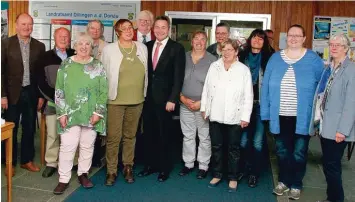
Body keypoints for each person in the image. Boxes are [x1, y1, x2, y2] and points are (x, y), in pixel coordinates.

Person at [260, 24, 324, 200]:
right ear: (286, 38)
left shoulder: (313, 60)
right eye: (290, 35)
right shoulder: (275, 59)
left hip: (303, 117)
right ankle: (283, 181)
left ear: (304, 38)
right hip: (279, 116)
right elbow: (265, 87)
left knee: (298, 152)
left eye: (298, 35)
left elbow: (322, 89)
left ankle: (296, 183)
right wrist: (265, 112)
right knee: (281, 151)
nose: (294, 38)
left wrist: (320, 116)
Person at [53, 32, 108, 195]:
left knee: (87, 146)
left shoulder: (98, 66)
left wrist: (98, 113)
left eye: (87, 44)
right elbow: (59, 89)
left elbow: (103, 91)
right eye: (80, 44)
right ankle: (63, 179)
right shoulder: (66, 64)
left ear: (92, 48)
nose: (84, 47)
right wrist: (61, 113)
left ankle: (83, 174)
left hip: (91, 114)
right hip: (69, 114)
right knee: (67, 147)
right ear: (75, 47)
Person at [137, 15, 186, 182]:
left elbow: (178, 77)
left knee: (165, 134)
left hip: (166, 101)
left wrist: (173, 99)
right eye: (156, 27)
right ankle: (150, 165)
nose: (159, 30)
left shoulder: (176, 48)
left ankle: (164, 168)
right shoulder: (147, 46)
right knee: (149, 134)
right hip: (147, 98)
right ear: (153, 28)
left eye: (163, 27)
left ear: (169, 29)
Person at [201, 39, 253, 192]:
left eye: (230, 49)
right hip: (215, 113)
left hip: (235, 116)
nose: (227, 52)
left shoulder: (243, 70)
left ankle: (233, 177)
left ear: (236, 52)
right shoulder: (214, 66)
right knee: (216, 146)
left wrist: (245, 116)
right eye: (224, 49)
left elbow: (248, 95)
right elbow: (206, 89)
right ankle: (217, 174)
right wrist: (204, 107)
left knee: (233, 148)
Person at [101, 19, 148, 185]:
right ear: (117, 32)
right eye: (124, 29)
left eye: (130, 28)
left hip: (137, 100)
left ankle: (128, 166)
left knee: (130, 136)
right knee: (114, 137)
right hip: (115, 101)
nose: (128, 31)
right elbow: (102, 74)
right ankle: (111, 171)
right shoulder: (109, 50)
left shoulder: (142, 48)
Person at [1, 13, 45, 176]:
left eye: (30, 24)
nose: (27, 27)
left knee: (29, 128)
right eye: (24, 24)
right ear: (17, 25)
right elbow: (1, 72)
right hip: (11, 94)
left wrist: (41, 96)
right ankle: (9, 162)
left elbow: (41, 74)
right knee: (11, 128)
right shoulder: (5, 44)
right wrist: (2, 95)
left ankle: (27, 160)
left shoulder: (39, 46)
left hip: (32, 93)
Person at [314, 34, 355, 202]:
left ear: (346, 48)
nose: (334, 47)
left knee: (332, 166)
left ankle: (336, 199)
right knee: (329, 165)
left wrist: (342, 131)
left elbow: (351, 103)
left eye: (338, 45)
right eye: (331, 44)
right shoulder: (330, 67)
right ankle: (332, 197)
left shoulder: (351, 70)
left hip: (338, 129)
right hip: (326, 125)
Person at [36, 27, 75, 178]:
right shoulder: (45, 57)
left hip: (72, 104)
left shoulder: (75, 55)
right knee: (53, 134)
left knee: (71, 134)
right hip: (52, 102)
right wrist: (57, 97)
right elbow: (41, 82)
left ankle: (73, 162)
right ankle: (51, 163)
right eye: (61, 36)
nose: (64, 39)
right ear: (54, 37)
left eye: (66, 36)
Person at [237, 29, 274, 187]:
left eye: (261, 39)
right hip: (243, 104)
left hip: (260, 104)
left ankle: (254, 172)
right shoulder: (241, 56)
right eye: (255, 38)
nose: (257, 41)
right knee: (243, 141)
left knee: (257, 142)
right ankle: (243, 169)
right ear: (250, 39)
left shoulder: (269, 58)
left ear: (264, 42)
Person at [178, 30, 217, 179]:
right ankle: (188, 163)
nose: (199, 42)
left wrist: (202, 103)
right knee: (187, 135)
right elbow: (176, 80)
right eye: (196, 39)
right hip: (184, 103)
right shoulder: (183, 57)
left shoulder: (212, 60)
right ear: (192, 41)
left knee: (204, 136)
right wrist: (182, 98)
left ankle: (203, 165)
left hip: (204, 105)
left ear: (206, 42)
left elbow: (215, 85)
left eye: (203, 39)